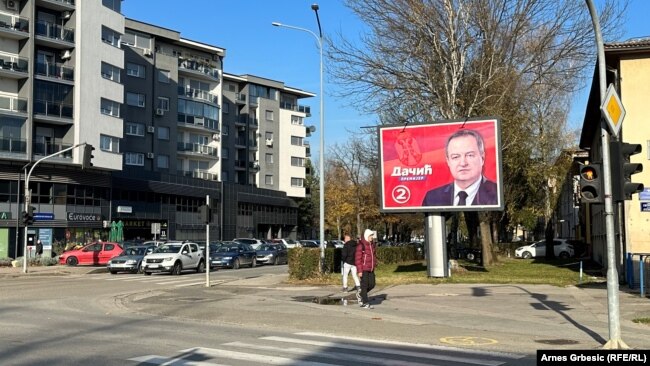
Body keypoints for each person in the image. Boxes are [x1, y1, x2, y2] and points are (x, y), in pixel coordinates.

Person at [421, 129, 497, 206]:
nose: (463, 163)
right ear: (448, 161)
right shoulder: (432, 197)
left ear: (482, 158)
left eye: (470, 155)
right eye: (456, 157)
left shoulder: (498, 193)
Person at [355, 229, 377, 309]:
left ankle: (360, 294)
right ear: (366, 236)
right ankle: (365, 302)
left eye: (372, 235)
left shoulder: (372, 244)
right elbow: (358, 259)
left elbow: (373, 256)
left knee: (372, 284)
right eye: (370, 235)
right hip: (363, 269)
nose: (372, 237)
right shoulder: (361, 245)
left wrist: (374, 264)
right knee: (364, 285)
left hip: (371, 268)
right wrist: (359, 271)